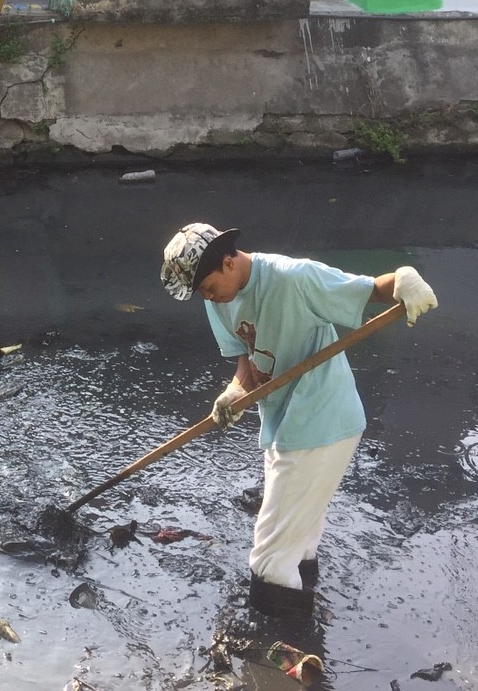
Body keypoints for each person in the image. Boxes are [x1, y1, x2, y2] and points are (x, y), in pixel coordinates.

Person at [159, 222, 438, 619]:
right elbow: (246, 360)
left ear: (228, 262)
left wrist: (404, 279)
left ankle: (280, 646)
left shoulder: (293, 279)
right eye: (201, 293)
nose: (208, 297)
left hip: (321, 420)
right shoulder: (218, 298)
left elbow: (370, 290)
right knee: (299, 540)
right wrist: (234, 392)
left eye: (207, 287)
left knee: (269, 561)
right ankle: (310, 632)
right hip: (283, 422)